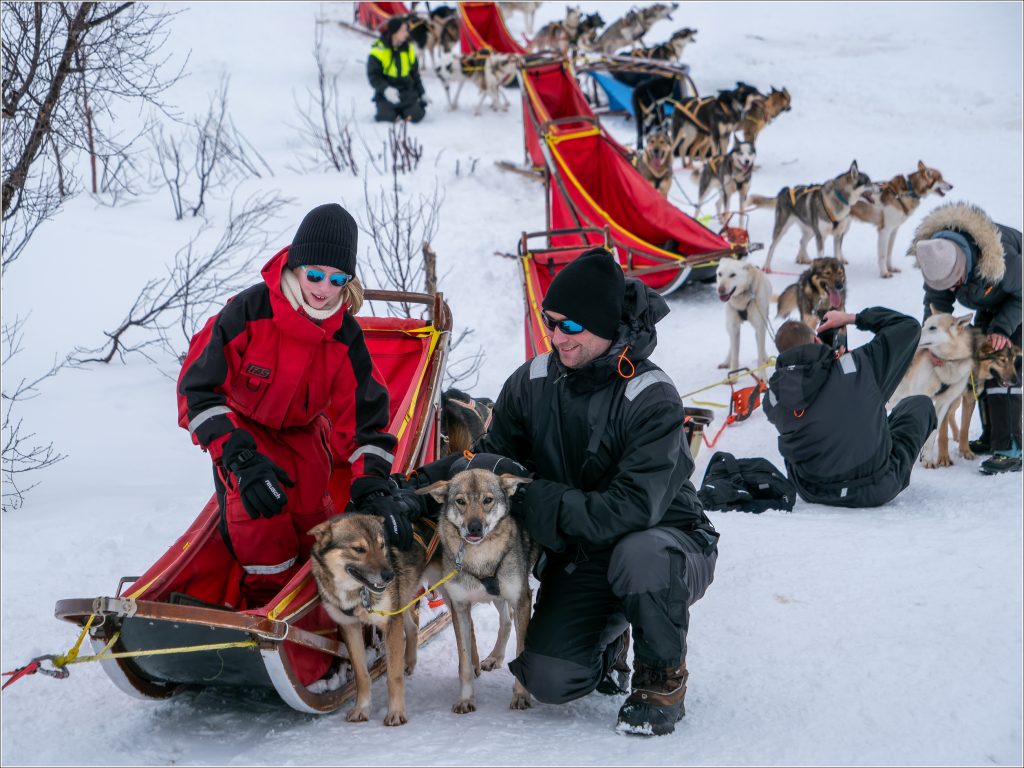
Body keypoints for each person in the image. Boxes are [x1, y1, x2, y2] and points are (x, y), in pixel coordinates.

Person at [401, 248, 719, 736]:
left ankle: (660, 679)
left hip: (664, 541)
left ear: (605, 325)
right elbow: (487, 462)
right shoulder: (532, 382)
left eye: (571, 326)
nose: (556, 337)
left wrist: (531, 498)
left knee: (640, 557)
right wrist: (413, 490)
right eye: (550, 322)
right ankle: (608, 638)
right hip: (583, 553)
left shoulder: (651, 397)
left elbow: (630, 510)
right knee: (548, 678)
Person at [177, 203, 411, 606]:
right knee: (260, 525)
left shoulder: (345, 337)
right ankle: (263, 610)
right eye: (315, 275)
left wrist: (371, 485)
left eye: (337, 279)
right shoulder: (247, 313)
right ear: (296, 266)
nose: (323, 288)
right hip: (245, 436)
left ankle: (322, 610)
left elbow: (366, 420)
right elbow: (197, 390)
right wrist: (238, 456)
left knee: (317, 530)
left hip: (305, 442)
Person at [763, 308, 937, 508]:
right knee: (919, 404)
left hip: (812, 490)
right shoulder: (861, 364)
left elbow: (814, 390)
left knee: (805, 430)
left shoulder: (773, 397)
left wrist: (830, 359)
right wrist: (852, 318)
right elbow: (909, 327)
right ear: (816, 340)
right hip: (876, 488)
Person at [911, 201, 1022, 474]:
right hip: (989, 303)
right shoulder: (937, 262)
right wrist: (934, 349)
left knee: (1003, 363)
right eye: (944, 286)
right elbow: (936, 313)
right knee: (980, 364)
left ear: (963, 264)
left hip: (1018, 300)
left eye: (954, 282)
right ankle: (991, 436)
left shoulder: (999, 256)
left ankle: (1010, 449)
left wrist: (1001, 330)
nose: (950, 289)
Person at [367, 16, 427, 124]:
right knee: (386, 117)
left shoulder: (409, 49)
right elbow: (373, 76)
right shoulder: (379, 50)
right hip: (387, 93)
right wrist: (385, 89)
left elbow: (415, 74)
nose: (406, 34)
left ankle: (409, 108)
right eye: (403, 31)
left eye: (406, 30)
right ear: (394, 32)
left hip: (407, 92)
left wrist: (422, 93)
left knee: (416, 116)